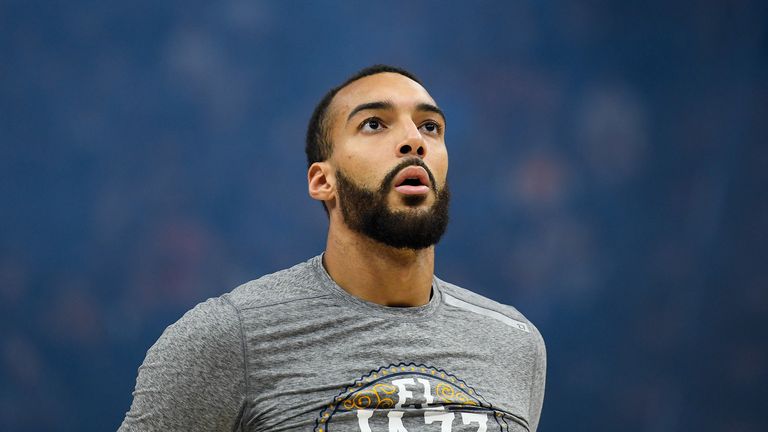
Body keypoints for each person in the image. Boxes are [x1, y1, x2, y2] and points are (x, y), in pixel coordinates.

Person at [118, 64, 546, 432]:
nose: (414, 141)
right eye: (374, 124)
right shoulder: (230, 336)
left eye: (430, 126)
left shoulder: (515, 343)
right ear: (323, 181)